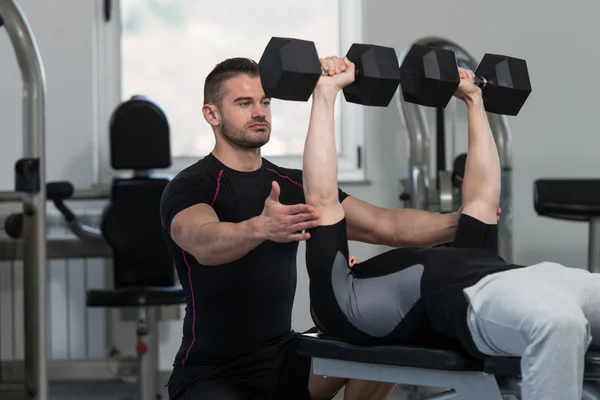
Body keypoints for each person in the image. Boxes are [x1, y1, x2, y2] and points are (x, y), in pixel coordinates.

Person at [158, 54, 494, 400]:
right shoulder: (190, 186)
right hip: (211, 373)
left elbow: (385, 225)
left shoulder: (290, 183)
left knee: (390, 330)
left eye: (265, 102)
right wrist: (259, 228)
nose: (259, 112)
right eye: (244, 103)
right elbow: (201, 241)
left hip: (284, 357)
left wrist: (462, 222)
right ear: (211, 114)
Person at [303, 56, 598, 400]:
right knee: (560, 325)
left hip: (542, 277)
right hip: (487, 303)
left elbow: (482, 199)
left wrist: (473, 99)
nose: (349, 258)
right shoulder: (339, 307)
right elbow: (322, 198)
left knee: (563, 319)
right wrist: (324, 94)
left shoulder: (460, 253)